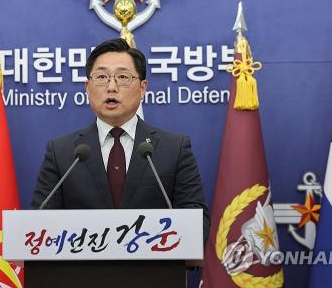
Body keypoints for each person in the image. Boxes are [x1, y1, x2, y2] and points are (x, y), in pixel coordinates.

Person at [30, 38, 210, 242]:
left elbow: (197, 223)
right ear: (87, 87)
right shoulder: (62, 152)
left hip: (153, 272)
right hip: (82, 273)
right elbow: (40, 223)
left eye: (123, 77)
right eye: (102, 77)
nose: (112, 87)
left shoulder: (174, 149)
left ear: (143, 88)